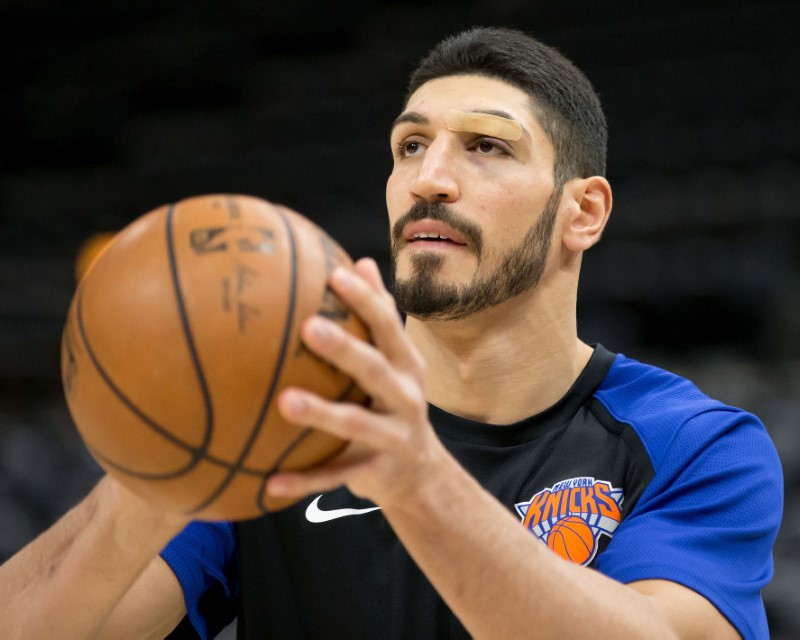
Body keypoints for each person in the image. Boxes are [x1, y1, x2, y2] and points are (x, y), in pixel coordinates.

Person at [0, 26, 782, 640]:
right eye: (411, 145)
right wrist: (160, 466)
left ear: (584, 212)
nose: (428, 178)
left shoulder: (696, 444)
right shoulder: (282, 427)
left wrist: (418, 482)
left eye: (485, 146)